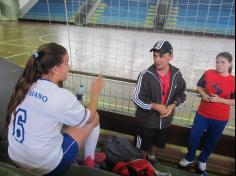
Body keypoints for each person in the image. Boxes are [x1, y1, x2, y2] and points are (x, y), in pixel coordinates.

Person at [6, 43, 105, 176]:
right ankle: (89, 160)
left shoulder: (25, 85)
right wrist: (95, 92)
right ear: (55, 69)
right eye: (66, 63)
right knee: (95, 118)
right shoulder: (60, 96)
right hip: (45, 167)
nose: (69, 66)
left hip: (15, 156)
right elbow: (90, 116)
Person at [179, 52, 235, 172]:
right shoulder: (208, 73)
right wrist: (203, 94)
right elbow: (199, 86)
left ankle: (203, 159)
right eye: (217, 62)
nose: (219, 64)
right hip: (202, 114)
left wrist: (219, 99)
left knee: (211, 140)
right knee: (194, 136)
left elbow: (233, 101)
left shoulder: (233, 81)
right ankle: (190, 157)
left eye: (223, 62)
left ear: (230, 64)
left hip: (220, 118)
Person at [133, 40, 186, 163]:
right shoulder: (145, 75)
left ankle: (152, 156)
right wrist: (155, 106)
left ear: (170, 57)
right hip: (146, 122)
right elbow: (137, 98)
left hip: (165, 121)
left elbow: (182, 94)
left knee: (158, 141)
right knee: (142, 146)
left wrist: (172, 106)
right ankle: (142, 162)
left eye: (161, 56)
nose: (157, 60)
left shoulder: (177, 75)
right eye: (155, 56)